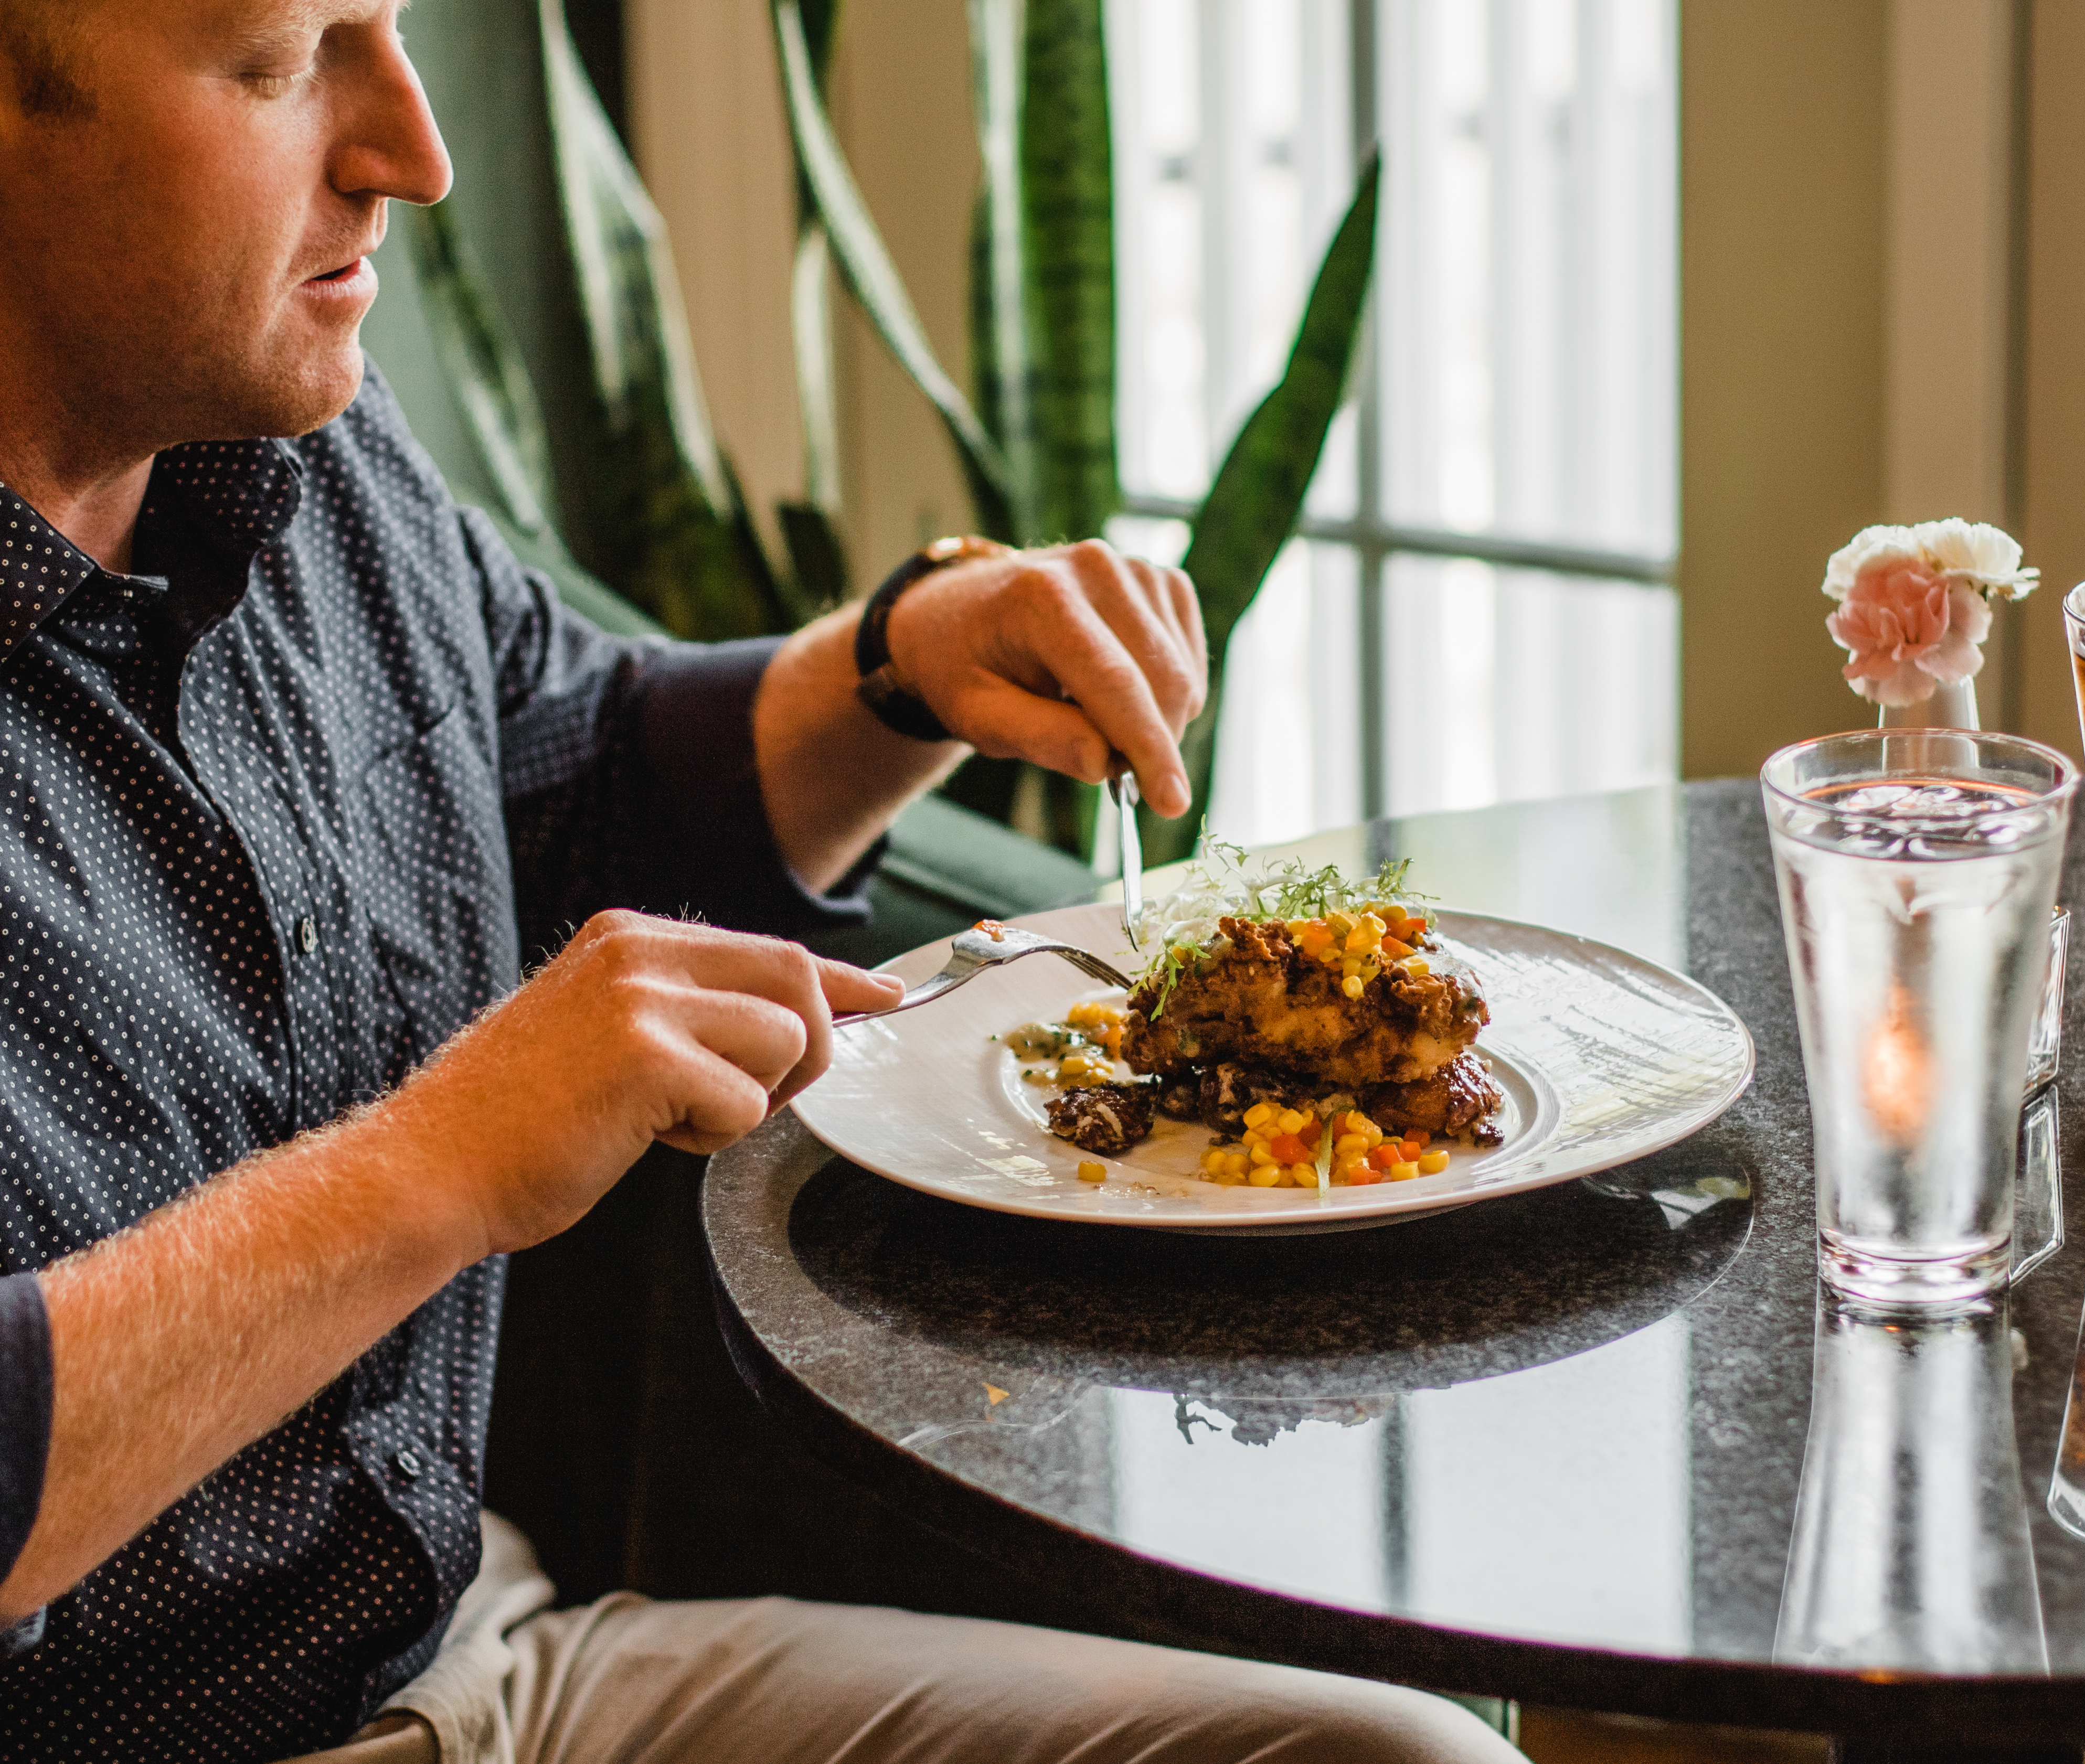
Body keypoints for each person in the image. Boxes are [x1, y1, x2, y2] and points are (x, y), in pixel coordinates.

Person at [0, 4, 1528, 1761]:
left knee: (1402, 1757)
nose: (410, 152)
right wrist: (438, 1162)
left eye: (392, 25)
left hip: (486, 1665)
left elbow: (557, 766)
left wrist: (896, 669)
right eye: (282, 63)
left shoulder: (289, 430)